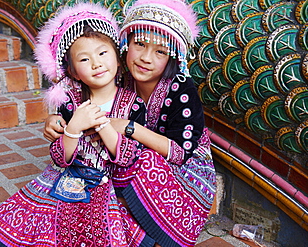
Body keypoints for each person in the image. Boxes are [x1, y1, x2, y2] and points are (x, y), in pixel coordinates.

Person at [0, 3, 148, 246]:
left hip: (109, 183)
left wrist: (103, 126)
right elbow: (59, 156)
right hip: (70, 177)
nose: (96, 63)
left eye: (103, 53)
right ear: (74, 72)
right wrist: (73, 128)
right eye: (84, 59)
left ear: (118, 58)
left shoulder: (133, 104)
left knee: (102, 228)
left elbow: (130, 156)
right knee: (47, 223)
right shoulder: (71, 102)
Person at [44, 0, 217, 246]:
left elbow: (179, 152)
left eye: (160, 51)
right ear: (125, 44)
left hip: (178, 165)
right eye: (140, 44)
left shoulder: (181, 89)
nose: (146, 58)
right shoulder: (116, 73)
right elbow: (70, 89)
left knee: (142, 161)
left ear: (173, 57)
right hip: (124, 151)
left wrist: (128, 127)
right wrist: (55, 119)